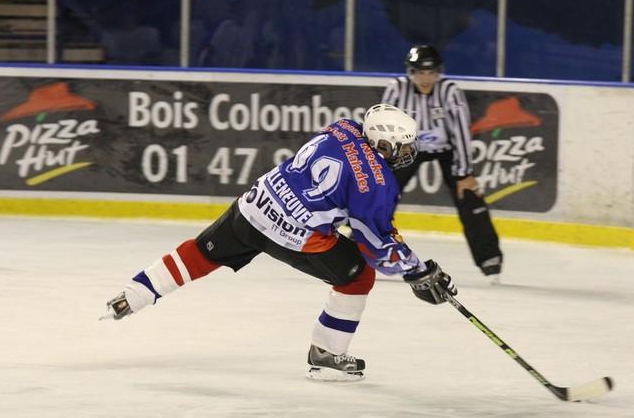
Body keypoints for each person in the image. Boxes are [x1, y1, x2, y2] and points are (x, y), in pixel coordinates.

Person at [101, 104, 457, 382]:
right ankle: (327, 351)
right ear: (383, 143)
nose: (409, 150)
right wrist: (417, 272)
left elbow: (341, 187)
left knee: (201, 252)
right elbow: (375, 241)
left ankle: (132, 295)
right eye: (404, 145)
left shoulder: (344, 127)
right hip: (295, 234)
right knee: (358, 275)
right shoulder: (376, 182)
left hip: (256, 204)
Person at [382, 45, 503, 278]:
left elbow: (461, 132)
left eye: (431, 73)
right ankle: (360, 246)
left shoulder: (449, 91)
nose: (425, 78)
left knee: (468, 195)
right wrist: (383, 167)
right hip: (408, 148)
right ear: (410, 72)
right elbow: (385, 127)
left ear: (439, 72)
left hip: (446, 149)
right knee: (380, 194)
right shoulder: (396, 88)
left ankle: (489, 257)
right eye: (419, 72)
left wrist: (464, 173)